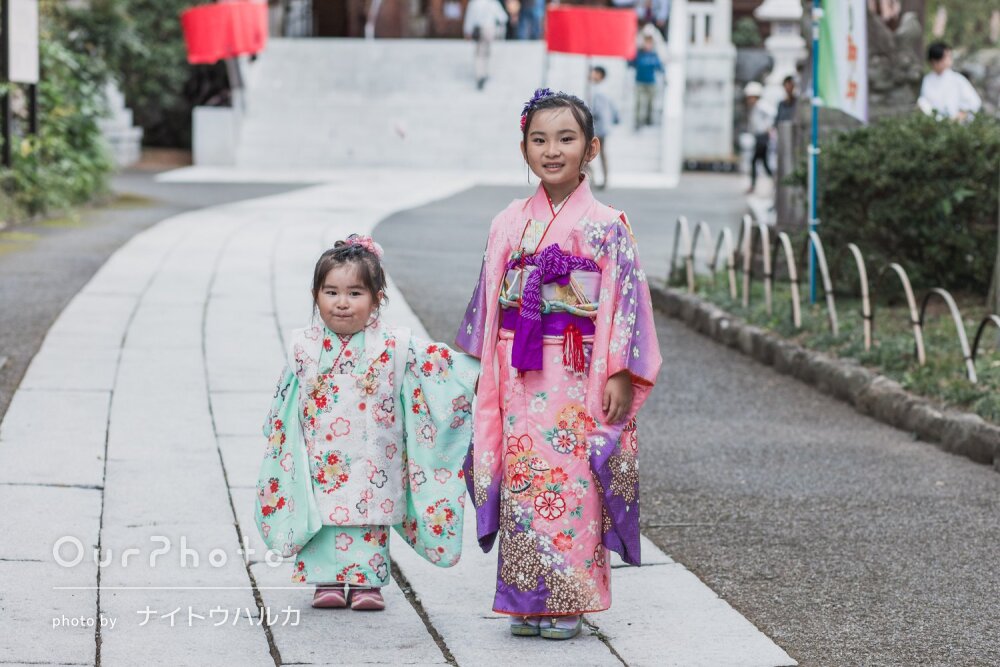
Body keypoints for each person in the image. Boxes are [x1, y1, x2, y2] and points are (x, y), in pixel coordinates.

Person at [457, 89, 662, 640]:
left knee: (573, 480)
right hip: (519, 370)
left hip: (579, 371)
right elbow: (489, 296)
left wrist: (620, 368)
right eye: (539, 139)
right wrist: (484, 376)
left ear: (590, 148)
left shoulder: (607, 224)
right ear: (523, 147)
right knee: (525, 476)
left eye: (566, 139)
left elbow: (625, 303)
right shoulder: (507, 222)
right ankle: (526, 598)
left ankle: (568, 597)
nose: (553, 150)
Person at [255, 236, 479, 611]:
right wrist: (280, 439)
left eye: (355, 293)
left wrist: (479, 370)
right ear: (316, 296)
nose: (342, 303)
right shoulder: (305, 347)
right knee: (320, 512)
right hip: (319, 454)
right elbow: (286, 400)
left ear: (378, 298)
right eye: (331, 292)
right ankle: (325, 579)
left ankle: (366, 581)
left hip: (374, 454)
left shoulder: (394, 345)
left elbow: (441, 367)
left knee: (369, 512)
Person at [918, 41, 982, 122]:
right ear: (935, 61)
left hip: (956, 125)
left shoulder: (957, 79)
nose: (949, 59)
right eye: (946, 57)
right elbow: (924, 102)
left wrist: (960, 116)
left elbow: (974, 103)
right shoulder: (927, 80)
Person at [464, 0, 509, 90]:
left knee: (479, 53)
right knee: (487, 51)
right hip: (490, 29)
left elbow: (469, 18)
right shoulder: (493, 3)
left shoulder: (474, 3)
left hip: (479, 29)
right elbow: (503, 17)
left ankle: (480, 75)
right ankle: (486, 72)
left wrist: (467, 30)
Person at [588, 66, 620, 189]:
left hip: (598, 126)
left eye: (594, 72)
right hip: (603, 126)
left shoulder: (598, 90)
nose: (591, 74)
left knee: (588, 152)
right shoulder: (604, 89)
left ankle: (593, 178)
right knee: (601, 153)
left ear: (600, 75)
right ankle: (603, 179)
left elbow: (597, 110)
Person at [744, 81, 775, 194]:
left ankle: (754, 185)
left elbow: (772, 114)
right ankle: (774, 182)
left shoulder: (762, 105)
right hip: (759, 137)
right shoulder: (756, 107)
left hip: (763, 137)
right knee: (764, 163)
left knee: (755, 161)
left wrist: (768, 127)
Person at [628, 34, 664, 129]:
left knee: (650, 102)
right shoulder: (639, 54)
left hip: (651, 82)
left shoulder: (654, 55)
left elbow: (659, 67)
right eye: (646, 43)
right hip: (640, 82)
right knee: (639, 102)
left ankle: (649, 120)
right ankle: (637, 121)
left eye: (649, 43)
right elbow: (631, 64)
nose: (647, 45)